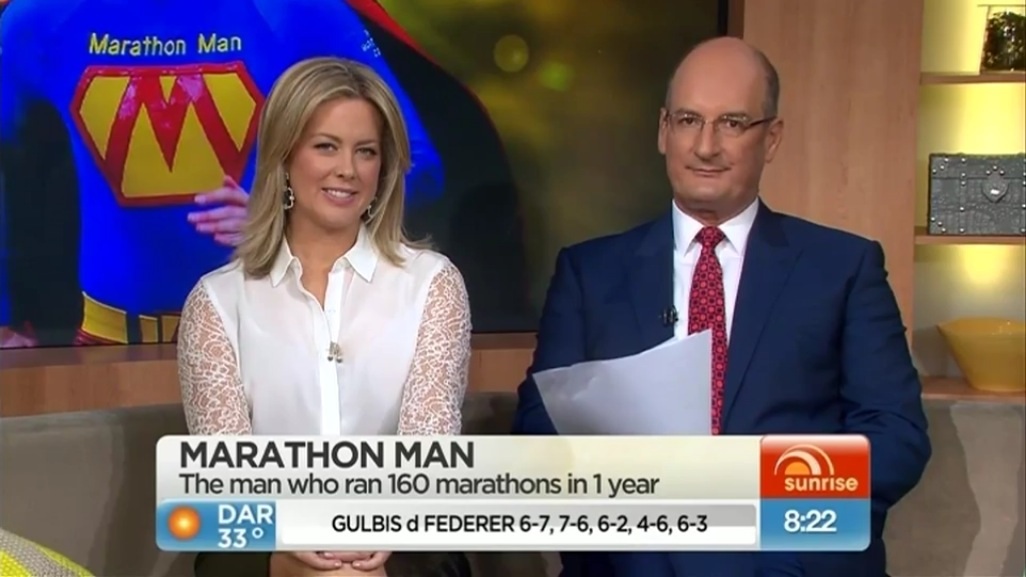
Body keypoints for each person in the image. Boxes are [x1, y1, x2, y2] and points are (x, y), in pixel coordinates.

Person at [512, 37, 931, 577]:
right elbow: (542, 431)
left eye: (732, 123)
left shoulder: (842, 268)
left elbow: (894, 438)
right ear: (663, 131)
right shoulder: (588, 274)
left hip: (789, 562)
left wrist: (757, 510)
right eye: (689, 120)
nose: (705, 146)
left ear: (771, 138)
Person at [0, 0, 449, 347]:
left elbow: (418, 164)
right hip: (108, 351)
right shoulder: (44, 16)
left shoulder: (295, 10)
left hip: (274, 345)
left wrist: (291, 218)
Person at [176, 58, 471, 577]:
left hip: (404, 550)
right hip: (266, 554)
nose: (348, 170)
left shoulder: (432, 285)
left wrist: (369, 549)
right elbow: (226, 489)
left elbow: (428, 459)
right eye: (326, 146)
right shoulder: (218, 303)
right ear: (285, 157)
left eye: (366, 151)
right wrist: (294, 552)